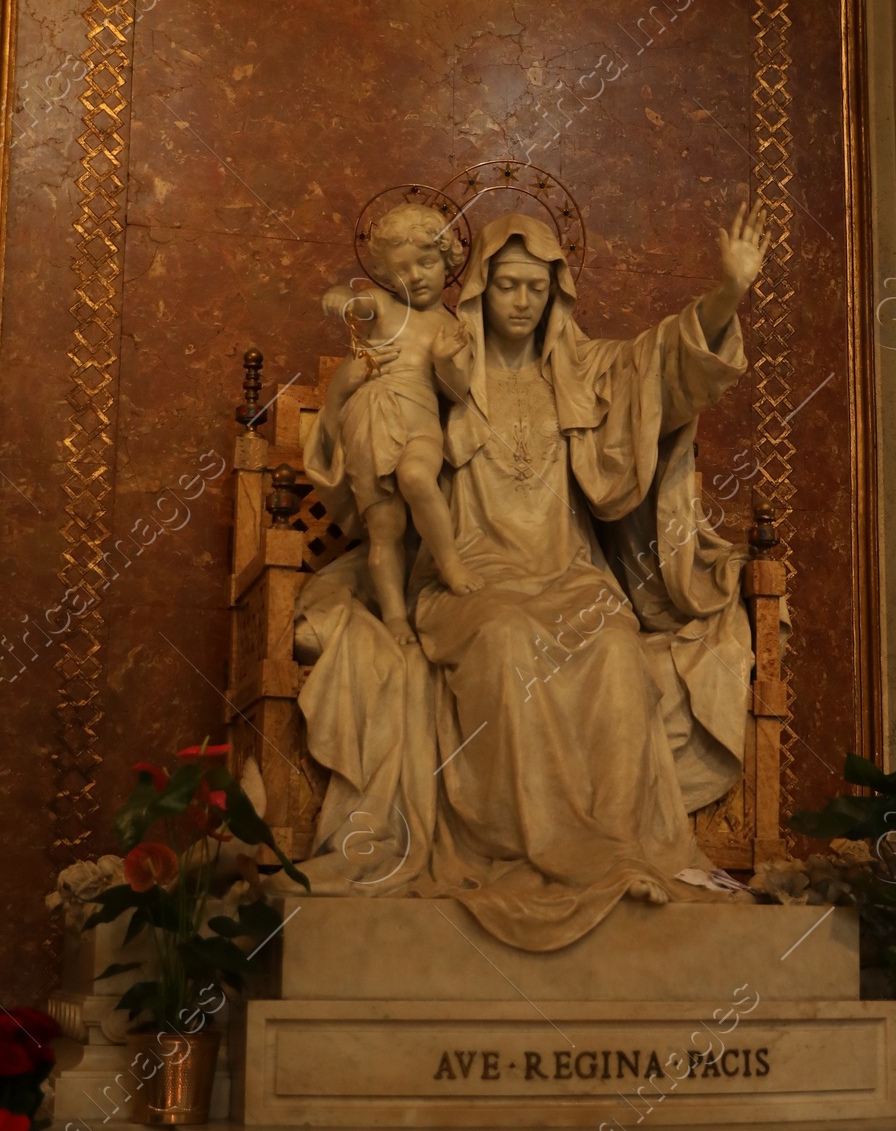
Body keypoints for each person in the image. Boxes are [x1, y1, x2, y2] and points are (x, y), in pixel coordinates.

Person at [297, 200, 768, 949]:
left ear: (557, 295)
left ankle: (615, 850)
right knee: (509, 641)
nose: (521, 303)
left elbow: (667, 366)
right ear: (480, 289)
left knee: (614, 651)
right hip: (468, 581)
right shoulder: (443, 367)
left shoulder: (583, 372)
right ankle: (529, 852)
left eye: (537, 289)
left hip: (569, 575)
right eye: (508, 286)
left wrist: (727, 293)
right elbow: (366, 428)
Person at [319, 203, 477, 638]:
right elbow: (361, 305)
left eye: (426, 262)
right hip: (370, 421)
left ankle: (450, 562)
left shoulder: (452, 326)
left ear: (448, 258)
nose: (417, 276)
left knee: (417, 476)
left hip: (422, 422)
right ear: (387, 278)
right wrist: (345, 298)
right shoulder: (385, 307)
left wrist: (448, 363)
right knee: (385, 528)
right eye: (401, 271)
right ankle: (393, 616)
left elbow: (458, 393)